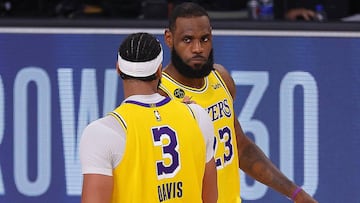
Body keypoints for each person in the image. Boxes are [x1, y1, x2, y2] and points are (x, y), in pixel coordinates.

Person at [158, 2, 318, 203]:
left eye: (204, 39)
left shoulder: (221, 78)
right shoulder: (160, 94)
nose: (197, 48)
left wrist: (296, 194)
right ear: (169, 39)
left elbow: (240, 148)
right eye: (187, 40)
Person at [80, 32, 218, 203]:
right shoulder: (196, 116)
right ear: (160, 71)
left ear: (118, 68)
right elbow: (210, 198)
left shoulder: (103, 132)